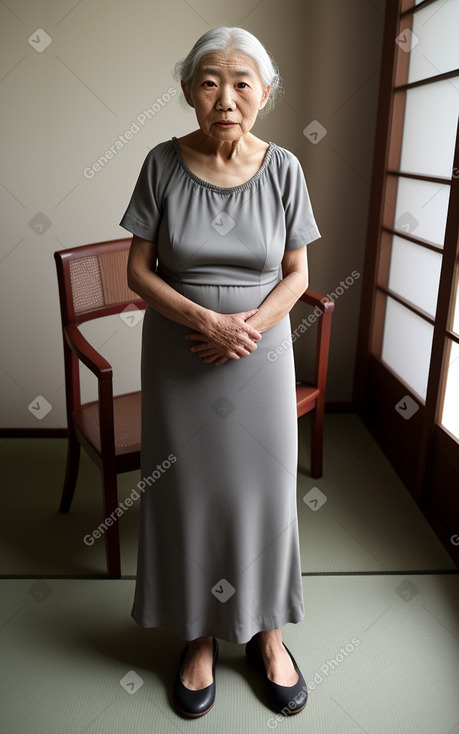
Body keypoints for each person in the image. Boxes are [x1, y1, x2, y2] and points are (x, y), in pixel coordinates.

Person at [120, 26, 321, 719]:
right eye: (209, 81)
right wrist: (204, 322)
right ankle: (198, 636)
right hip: (179, 357)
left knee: (263, 497)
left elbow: (298, 274)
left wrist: (249, 329)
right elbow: (137, 270)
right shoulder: (159, 163)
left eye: (241, 83)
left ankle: (267, 635)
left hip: (258, 361)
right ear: (186, 92)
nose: (225, 97)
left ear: (264, 93)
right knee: (186, 496)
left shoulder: (286, 168)